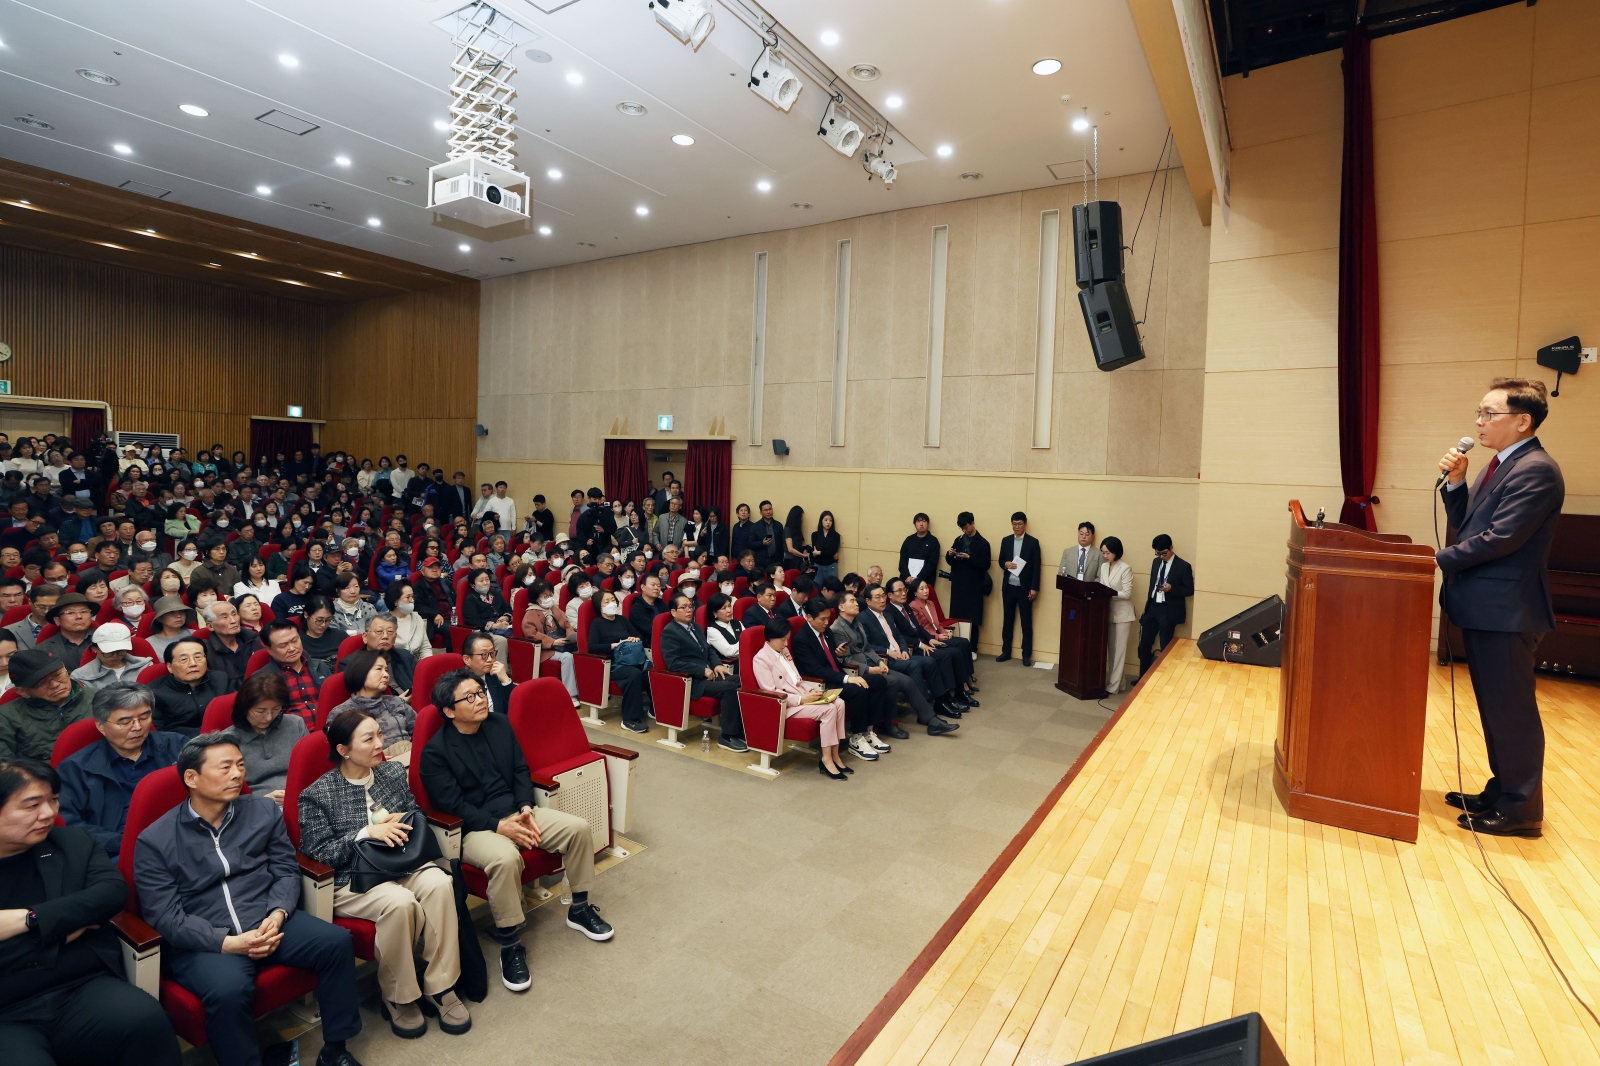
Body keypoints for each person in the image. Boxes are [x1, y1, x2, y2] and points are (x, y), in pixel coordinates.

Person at [133, 733, 366, 1066]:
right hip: (206, 938)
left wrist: (278, 913)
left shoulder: (260, 810)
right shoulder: (156, 839)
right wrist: (227, 943)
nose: (237, 775)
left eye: (240, 765)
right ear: (191, 778)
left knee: (336, 941)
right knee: (228, 991)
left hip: (266, 917)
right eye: (225, 767)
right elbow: (165, 916)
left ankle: (335, 1049)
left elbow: (286, 870)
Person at [420, 669, 614, 994]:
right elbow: (451, 805)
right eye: (470, 697)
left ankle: (579, 908)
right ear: (449, 711)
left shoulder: (498, 723)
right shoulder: (436, 752)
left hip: (516, 811)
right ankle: (510, 945)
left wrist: (525, 806)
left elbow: (520, 769)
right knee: (506, 859)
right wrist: (500, 827)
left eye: (480, 692)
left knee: (578, 829)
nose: (480, 699)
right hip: (474, 829)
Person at [1437, 377, 1565, 838]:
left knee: (1512, 711)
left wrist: (1434, 559)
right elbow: (1471, 527)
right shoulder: (1500, 465)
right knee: (1496, 707)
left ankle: (1521, 811)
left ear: (1523, 420)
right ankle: (1503, 789)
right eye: (1480, 412)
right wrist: (1456, 485)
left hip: (1507, 611)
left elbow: (1502, 539)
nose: (1479, 421)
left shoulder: (1536, 470)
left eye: (1489, 414)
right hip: (1487, 607)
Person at [297, 708, 471, 1038]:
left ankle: (441, 985)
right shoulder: (317, 794)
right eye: (370, 738)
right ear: (343, 750)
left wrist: (401, 819)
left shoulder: (390, 773)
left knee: (439, 881)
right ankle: (398, 995)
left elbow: (415, 814)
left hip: (399, 862)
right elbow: (319, 852)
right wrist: (365, 832)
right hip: (353, 877)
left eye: (380, 734)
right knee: (400, 902)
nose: (381, 743)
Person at [0, 757, 182, 1066]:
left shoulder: (71, 842)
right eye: (31, 806)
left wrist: (30, 920)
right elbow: (86, 908)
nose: (48, 814)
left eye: (54, 800)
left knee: (145, 1018)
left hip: (79, 987)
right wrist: (63, 931)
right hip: (8, 1011)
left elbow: (110, 894)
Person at [56, 683, 184, 855]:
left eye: (144, 717)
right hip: (119, 850)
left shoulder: (177, 746)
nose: (137, 727)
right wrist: (123, 843)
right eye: (125, 722)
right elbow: (67, 822)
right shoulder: (76, 768)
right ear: (101, 726)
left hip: (183, 837)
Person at [830, 590, 957, 737]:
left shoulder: (857, 624)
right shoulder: (837, 629)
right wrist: (871, 669)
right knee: (893, 681)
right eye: (851, 601)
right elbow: (846, 660)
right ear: (841, 607)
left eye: (855, 600)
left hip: (875, 663)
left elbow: (867, 648)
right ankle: (889, 724)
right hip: (858, 671)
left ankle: (931, 720)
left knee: (907, 681)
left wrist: (879, 661)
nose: (856, 603)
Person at [791, 597, 888, 762]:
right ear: (809, 617)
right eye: (822, 619)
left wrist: (838, 655)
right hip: (821, 684)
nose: (826, 622)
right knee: (858, 690)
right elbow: (816, 669)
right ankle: (856, 739)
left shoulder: (826, 631)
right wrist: (847, 679)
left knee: (879, 681)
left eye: (828, 618)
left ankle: (868, 731)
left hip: (836, 675)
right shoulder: (802, 639)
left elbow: (829, 659)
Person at [751, 618, 849, 779]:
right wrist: (801, 699)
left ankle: (835, 755)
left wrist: (813, 692)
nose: (786, 643)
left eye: (787, 639)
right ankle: (826, 760)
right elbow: (772, 692)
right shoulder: (761, 659)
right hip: (785, 705)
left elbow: (797, 679)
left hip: (801, 696)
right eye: (782, 639)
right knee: (829, 709)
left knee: (839, 702)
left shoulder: (785, 651)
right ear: (769, 637)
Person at [659, 593, 746, 751]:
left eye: (690, 606)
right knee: (729, 689)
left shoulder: (696, 627)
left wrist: (717, 664)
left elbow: (709, 650)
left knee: (741, 681)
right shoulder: (670, 632)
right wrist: (701, 670)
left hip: (709, 674)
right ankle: (727, 736)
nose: (689, 610)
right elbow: (673, 663)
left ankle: (742, 730)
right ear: (673, 612)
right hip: (692, 681)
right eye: (683, 607)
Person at [223, 671, 306, 803]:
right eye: (260, 711)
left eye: (276, 709)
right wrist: (262, 801)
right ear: (244, 707)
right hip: (255, 806)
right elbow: (226, 792)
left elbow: (309, 770)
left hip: (301, 798)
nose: (268, 717)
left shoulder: (295, 724)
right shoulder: (227, 741)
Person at [0, 651, 94, 761]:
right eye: (41, 683)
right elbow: (5, 766)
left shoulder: (99, 699)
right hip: (41, 775)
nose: (55, 685)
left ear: (64, 668)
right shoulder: (6, 717)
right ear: (22, 691)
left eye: (58, 675)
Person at [330, 651, 415, 756]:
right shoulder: (341, 713)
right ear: (360, 671)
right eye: (379, 669)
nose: (386, 675)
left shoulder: (397, 702)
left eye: (386, 670)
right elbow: (341, 754)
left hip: (410, 757)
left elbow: (420, 732)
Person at [588, 589, 647, 731]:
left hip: (629, 658)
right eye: (606, 601)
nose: (611, 603)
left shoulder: (622, 620)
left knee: (648, 669)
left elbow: (639, 636)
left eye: (613, 600)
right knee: (634, 674)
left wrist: (634, 638)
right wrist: (613, 645)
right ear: (599, 606)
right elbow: (592, 647)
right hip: (611, 663)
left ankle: (654, 710)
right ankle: (629, 719)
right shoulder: (597, 624)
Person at [1136, 534, 1194, 678]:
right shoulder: (1156, 563)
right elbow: (1152, 586)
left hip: (1168, 611)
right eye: (1158, 553)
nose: (1161, 556)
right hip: (1153, 608)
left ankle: (1163, 679)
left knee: (1165, 647)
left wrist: (1172, 588)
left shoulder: (1183, 566)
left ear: (1171, 548)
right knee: (1144, 645)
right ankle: (1142, 678)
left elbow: (1189, 590)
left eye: (1163, 553)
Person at [149, 639, 231, 737]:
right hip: (182, 745)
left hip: (225, 738)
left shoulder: (220, 679)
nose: (193, 663)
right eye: (184, 659)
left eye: (198, 657)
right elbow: (158, 735)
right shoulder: (154, 693)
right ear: (169, 667)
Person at [259, 620, 331, 724]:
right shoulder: (262, 679)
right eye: (283, 645)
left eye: (295, 640)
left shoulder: (319, 666)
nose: (292, 648)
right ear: (269, 650)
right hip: (293, 735)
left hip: (330, 728)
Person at [520, 580, 578, 706]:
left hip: (563, 643)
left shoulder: (554, 609)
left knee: (581, 653)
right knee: (567, 657)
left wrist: (571, 636)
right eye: (545, 596)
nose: (549, 598)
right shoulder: (530, 614)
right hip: (544, 650)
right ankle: (571, 694)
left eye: (550, 595)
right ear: (537, 598)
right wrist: (553, 642)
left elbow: (567, 625)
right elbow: (532, 635)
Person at [996, 511, 1042, 666]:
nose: (1017, 527)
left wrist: (1034, 588)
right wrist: (1005, 564)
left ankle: (1026, 654)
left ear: (1025, 524)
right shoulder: (1006, 540)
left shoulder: (1033, 542)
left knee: (1026, 622)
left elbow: (1037, 567)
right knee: (1007, 621)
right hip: (1009, 586)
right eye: (1014, 524)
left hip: (1025, 588)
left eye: (1019, 524)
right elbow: (1001, 559)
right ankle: (1006, 651)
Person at [944, 512, 991, 652]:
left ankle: (972, 649)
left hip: (974, 585)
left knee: (973, 619)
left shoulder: (983, 543)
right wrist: (950, 554)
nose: (965, 530)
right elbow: (950, 561)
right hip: (958, 584)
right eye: (962, 528)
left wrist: (969, 558)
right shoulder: (959, 540)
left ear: (973, 523)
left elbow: (985, 565)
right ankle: (957, 647)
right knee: (957, 617)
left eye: (966, 527)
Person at [1097, 537, 1136, 694]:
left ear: (1116, 551)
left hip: (1123, 615)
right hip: (1108, 612)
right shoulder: (1103, 567)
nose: (1105, 556)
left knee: (1119, 651)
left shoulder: (1126, 568)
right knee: (1112, 651)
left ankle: (1112, 687)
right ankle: (1120, 684)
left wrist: (1107, 592)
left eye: (1108, 553)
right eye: (1103, 553)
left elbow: (1127, 593)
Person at [70, 623, 151, 690]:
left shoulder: (146, 666)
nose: (115, 656)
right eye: (108, 652)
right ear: (95, 649)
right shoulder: (80, 676)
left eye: (120, 651)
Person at [203, 600, 262, 686]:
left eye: (234, 614)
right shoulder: (206, 652)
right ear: (210, 626)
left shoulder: (254, 640)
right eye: (225, 617)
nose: (233, 621)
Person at [359, 613, 418, 696]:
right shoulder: (352, 664)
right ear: (365, 637)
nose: (385, 636)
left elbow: (418, 686)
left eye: (390, 632)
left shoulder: (405, 656)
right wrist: (398, 702)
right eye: (379, 632)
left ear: (395, 637)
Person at [37, 593, 97, 668]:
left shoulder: (105, 639)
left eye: (84, 612)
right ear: (57, 620)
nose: (79, 616)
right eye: (70, 613)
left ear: (91, 616)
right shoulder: (42, 650)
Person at [383, 582, 434, 663]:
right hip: (394, 665)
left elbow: (425, 646)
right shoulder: (383, 622)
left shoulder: (417, 618)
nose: (412, 600)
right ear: (395, 601)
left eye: (413, 596)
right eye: (408, 597)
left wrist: (426, 662)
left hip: (416, 664)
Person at [6, 584, 59, 653]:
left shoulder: (67, 628)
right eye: (41, 606)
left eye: (52, 607)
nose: (46, 611)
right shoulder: (10, 631)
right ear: (30, 602)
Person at [146, 596, 195, 661]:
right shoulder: (149, 643)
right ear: (159, 618)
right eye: (171, 612)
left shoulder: (194, 634)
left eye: (181, 611)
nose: (178, 615)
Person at [898, 513, 941, 581]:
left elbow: (932, 563)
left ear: (928, 524)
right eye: (919, 521)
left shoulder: (933, 541)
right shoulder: (909, 540)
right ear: (915, 525)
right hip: (907, 579)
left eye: (924, 521)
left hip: (925, 580)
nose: (921, 524)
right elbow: (903, 560)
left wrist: (919, 577)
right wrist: (907, 576)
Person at [810, 511, 840, 582]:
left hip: (831, 566)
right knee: (817, 588)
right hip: (818, 565)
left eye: (830, 520)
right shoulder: (815, 535)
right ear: (821, 521)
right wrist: (825, 552)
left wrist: (819, 553)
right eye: (826, 520)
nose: (828, 522)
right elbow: (815, 550)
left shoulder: (836, 536)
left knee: (832, 587)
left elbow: (833, 550)